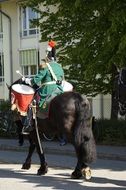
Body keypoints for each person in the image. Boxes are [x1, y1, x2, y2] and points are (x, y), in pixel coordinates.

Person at [22, 40, 65, 133]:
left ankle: (28, 124)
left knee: (31, 103)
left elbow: (36, 79)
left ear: (47, 57)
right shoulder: (59, 66)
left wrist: (28, 80)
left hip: (48, 90)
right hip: (59, 89)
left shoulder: (45, 66)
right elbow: (62, 78)